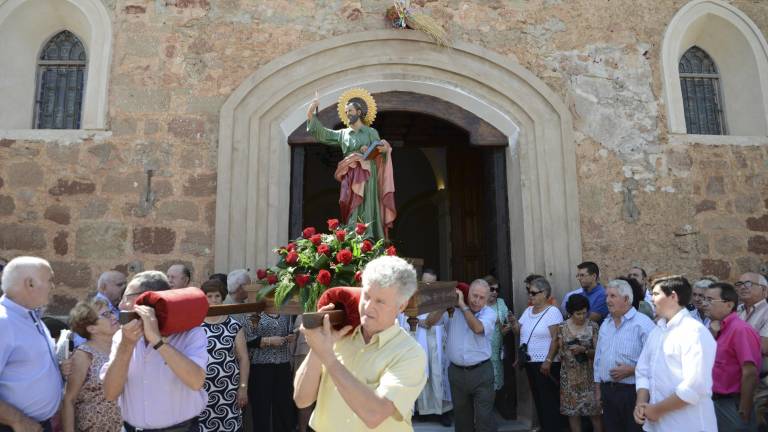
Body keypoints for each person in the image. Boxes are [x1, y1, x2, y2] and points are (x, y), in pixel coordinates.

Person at [294, 255, 427, 431]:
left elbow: (374, 414)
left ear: (401, 306)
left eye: (380, 301)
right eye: (366, 295)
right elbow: (301, 399)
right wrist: (317, 349)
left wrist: (328, 357)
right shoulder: (339, 334)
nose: (368, 306)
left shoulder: (410, 353)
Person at [102, 270, 208, 432]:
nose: (121, 305)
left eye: (127, 296)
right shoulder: (122, 336)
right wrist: (127, 345)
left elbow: (196, 381)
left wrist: (158, 341)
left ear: (147, 300)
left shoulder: (191, 333)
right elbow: (110, 393)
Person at [306, 89, 395, 239]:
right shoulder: (343, 134)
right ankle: (353, 236)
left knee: (367, 203)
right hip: (349, 174)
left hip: (367, 174)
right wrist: (311, 111)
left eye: (351, 111)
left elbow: (381, 151)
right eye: (346, 111)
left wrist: (374, 150)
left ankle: (369, 237)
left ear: (359, 112)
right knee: (348, 204)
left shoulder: (371, 132)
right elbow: (322, 134)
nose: (348, 114)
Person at [633, 276, 716, 431]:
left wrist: (657, 410)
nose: (651, 299)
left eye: (656, 294)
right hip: (656, 425)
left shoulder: (694, 332)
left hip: (687, 425)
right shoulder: (656, 331)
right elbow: (642, 371)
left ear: (673, 297)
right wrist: (641, 404)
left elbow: (694, 387)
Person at [0, 257, 67, 432]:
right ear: (30, 283)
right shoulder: (3, 322)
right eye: (49, 280)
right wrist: (19, 421)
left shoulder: (30, 316)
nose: (53, 286)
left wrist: (57, 369)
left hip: (37, 425)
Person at [593, 279, 655, 432]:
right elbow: (598, 359)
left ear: (626, 299)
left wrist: (633, 369)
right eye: (607, 296)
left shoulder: (643, 324)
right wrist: (598, 389)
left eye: (613, 296)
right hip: (608, 391)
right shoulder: (605, 324)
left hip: (633, 392)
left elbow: (657, 361)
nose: (607, 300)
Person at [508, 277, 565, 432]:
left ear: (544, 293)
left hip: (547, 364)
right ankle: (545, 427)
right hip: (530, 362)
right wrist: (513, 323)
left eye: (533, 293)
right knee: (538, 399)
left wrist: (548, 360)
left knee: (549, 401)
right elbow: (519, 332)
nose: (530, 296)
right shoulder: (528, 311)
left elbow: (556, 338)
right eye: (529, 292)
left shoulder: (552, 312)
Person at [703, 282, 761, 431]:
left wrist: (744, 408)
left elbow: (750, 372)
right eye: (705, 299)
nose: (705, 304)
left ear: (729, 305)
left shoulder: (740, 330)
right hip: (713, 401)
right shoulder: (715, 327)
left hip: (731, 404)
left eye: (710, 300)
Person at [544, 294, 602, 432]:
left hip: (590, 378)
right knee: (572, 414)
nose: (582, 316)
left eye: (584, 313)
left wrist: (585, 350)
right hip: (569, 379)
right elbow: (555, 344)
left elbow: (600, 354)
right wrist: (548, 360)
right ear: (570, 313)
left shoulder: (593, 327)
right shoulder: (562, 327)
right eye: (578, 314)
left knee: (595, 413)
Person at [61, 299, 122, 432]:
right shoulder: (84, 355)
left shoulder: (121, 347)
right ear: (91, 328)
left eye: (111, 312)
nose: (113, 316)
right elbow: (69, 399)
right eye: (105, 315)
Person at [198, 280, 250, 432]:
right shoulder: (195, 326)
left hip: (228, 391)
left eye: (217, 296)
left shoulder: (233, 325)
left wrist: (243, 388)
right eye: (209, 296)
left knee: (230, 427)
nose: (213, 300)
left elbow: (244, 358)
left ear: (222, 298)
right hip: (202, 390)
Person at [244, 308, 296, 432]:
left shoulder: (285, 314)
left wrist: (291, 336)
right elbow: (246, 339)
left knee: (284, 405)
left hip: (283, 365)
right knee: (261, 407)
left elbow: (290, 331)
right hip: (260, 366)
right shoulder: (254, 314)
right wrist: (268, 341)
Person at [412, 269, 452, 426]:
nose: (427, 285)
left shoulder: (441, 299)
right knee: (422, 376)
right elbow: (407, 317)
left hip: (437, 342)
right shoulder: (413, 297)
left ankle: (443, 412)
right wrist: (419, 322)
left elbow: (443, 320)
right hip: (419, 341)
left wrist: (426, 322)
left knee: (438, 376)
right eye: (424, 281)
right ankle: (424, 410)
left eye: (431, 283)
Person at [736, 272, 768, 429]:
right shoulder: (737, 310)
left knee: (756, 422)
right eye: (739, 284)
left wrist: (732, 344)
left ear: (764, 290)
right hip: (736, 381)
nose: (742, 287)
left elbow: (763, 346)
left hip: (760, 382)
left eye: (748, 284)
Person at [73, 270, 127, 348]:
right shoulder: (91, 308)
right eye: (119, 285)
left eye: (125, 284)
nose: (124, 288)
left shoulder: (121, 305)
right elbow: (81, 343)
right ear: (103, 287)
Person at [484, 275, 510, 393]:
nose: (495, 292)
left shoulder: (501, 302)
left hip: (496, 349)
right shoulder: (478, 303)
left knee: (495, 380)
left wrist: (504, 323)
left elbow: (508, 324)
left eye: (497, 290)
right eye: (492, 289)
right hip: (481, 348)